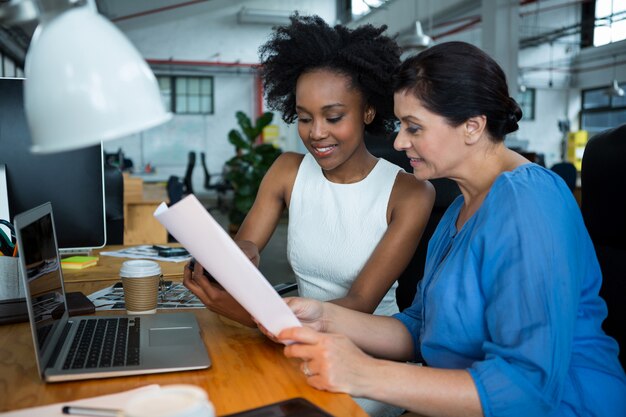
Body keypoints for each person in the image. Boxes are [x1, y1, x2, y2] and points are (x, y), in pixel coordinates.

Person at [265, 42, 626, 417]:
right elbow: (422, 327)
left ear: (472, 126)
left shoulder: (528, 203)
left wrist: (364, 373)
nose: (399, 141)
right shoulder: (460, 206)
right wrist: (324, 317)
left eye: (414, 127)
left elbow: (526, 390)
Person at [184, 15, 434, 417]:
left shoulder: (409, 193)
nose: (316, 133)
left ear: (369, 111)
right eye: (304, 118)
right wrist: (235, 257)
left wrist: (253, 316)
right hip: (292, 341)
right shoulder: (287, 170)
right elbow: (248, 243)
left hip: (363, 362)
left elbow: (359, 303)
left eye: (333, 117)